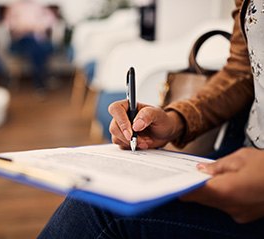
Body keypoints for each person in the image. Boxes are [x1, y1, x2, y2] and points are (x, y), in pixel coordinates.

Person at [38, 0, 264, 238]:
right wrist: (176, 119)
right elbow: (242, 71)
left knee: (100, 209)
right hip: (239, 153)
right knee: (104, 192)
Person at [4, 0, 57, 92]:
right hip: (21, 40)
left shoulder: (38, 6)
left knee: (37, 48)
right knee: (37, 47)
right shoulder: (14, 7)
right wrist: (24, 27)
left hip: (38, 39)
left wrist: (37, 26)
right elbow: (9, 24)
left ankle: (39, 82)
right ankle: (41, 80)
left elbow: (50, 20)